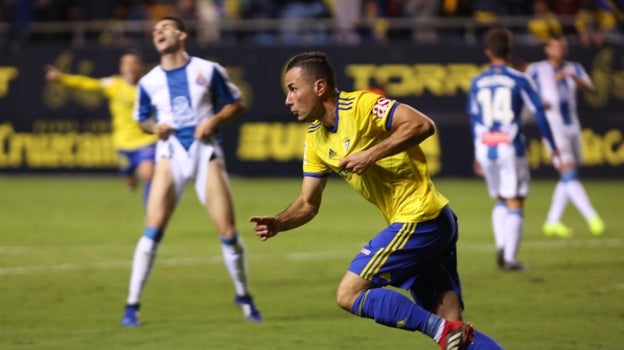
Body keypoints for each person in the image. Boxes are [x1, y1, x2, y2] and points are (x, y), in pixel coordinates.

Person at [250, 51, 503, 350]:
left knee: (349, 294)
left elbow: (421, 125)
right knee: (455, 334)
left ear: (319, 87)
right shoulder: (315, 138)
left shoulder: (361, 105)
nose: (287, 100)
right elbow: (307, 203)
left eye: (293, 89)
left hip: (421, 217)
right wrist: (279, 222)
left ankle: (439, 330)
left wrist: (370, 154)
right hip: (428, 222)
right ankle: (447, 332)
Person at [121, 16, 262, 327]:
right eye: (155, 29)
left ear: (181, 34)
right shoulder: (149, 81)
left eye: (164, 27)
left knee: (227, 231)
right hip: (169, 153)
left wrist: (212, 121)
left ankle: (243, 294)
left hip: (205, 152)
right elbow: (142, 118)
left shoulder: (208, 70)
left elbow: (236, 103)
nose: (158, 32)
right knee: (153, 227)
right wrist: (153, 127)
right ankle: (132, 305)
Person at [467, 27, 560, 271]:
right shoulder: (519, 79)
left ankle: (502, 245)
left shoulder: (477, 81)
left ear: (488, 52)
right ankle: (509, 258)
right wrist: (553, 145)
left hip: (486, 147)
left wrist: (477, 152)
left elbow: (474, 118)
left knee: (500, 199)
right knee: (515, 201)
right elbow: (539, 111)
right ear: (511, 50)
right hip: (510, 147)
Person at [44, 51, 157, 205]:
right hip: (123, 142)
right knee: (129, 178)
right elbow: (87, 83)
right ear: (121, 67)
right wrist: (62, 78)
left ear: (141, 67)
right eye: (126, 64)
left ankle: (152, 215)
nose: (130, 67)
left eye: (133, 63)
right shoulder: (113, 84)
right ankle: (129, 177)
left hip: (146, 139)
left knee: (148, 174)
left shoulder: (150, 86)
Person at [526, 34, 605, 238]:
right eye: (555, 47)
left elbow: (592, 89)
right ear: (547, 49)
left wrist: (573, 77)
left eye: (563, 47)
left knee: (568, 176)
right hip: (553, 126)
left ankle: (552, 221)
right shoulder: (536, 69)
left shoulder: (574, 68)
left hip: (572, 124)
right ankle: (592, 217)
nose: (560, 50)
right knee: (569, 173)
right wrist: (539, 103)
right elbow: (526, 93)